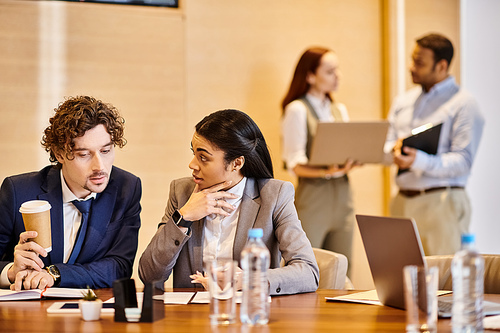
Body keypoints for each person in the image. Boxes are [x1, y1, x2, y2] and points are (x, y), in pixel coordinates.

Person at [139, 109, 319, 295]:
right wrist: (183, 218)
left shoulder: (274, 195)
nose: (192, 164)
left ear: (237, 163)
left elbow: (308, 272)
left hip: (250, 313)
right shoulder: (181, 192)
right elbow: (149, 275)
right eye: (194, 153)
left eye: (203, 157)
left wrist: (248, 280)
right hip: (190, 317)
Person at [0, 95, 142, 290]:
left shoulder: (128, 188)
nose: (99, 166)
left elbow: (120, 267)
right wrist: (10, 272)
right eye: (84, 154)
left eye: (106, 151)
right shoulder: (18, 191)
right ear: (59, 154)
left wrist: (55, 274)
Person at [384, 33, 484, 255]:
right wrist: (390, 151)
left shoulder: (464, 104)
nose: (411, 67)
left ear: (441, 66)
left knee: (444, 282)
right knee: (400, 276)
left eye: (419, 63)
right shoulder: (404, 101)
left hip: (442, 202)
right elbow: (388, 140)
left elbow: (463, 161)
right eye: (412, 59)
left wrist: (418, 160)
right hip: (402, 200)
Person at [281, 47, 356, 270]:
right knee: (309, 265)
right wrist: (326, 172)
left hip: (343, 196)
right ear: (310, 76)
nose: (337, 76)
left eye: (338, 70)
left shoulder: (339, 110)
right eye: (330, 71)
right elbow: (294, 164)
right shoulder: (297, 110)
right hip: (314, 197)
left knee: (344, 266)